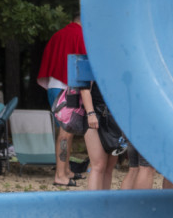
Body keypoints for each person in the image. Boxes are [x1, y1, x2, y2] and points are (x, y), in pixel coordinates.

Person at [37, 16, 86, 187]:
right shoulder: (81, 35)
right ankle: (60, 175)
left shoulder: (58, 35)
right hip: (67, 88)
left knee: (66, 130)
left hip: (54, 86)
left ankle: (65, 170)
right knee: (65, 132)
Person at [80, 82, 119, 190]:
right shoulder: (91, 65)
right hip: (96, 113)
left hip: (115, 116)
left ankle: (105, 203)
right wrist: (90, 113)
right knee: (98, 165)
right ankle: (94, 204)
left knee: (108, 167)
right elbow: (84, 88)